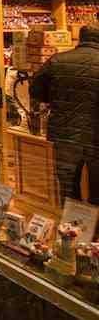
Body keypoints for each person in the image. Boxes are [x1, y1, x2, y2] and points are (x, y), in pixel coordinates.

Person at [30, 24, 99, 204]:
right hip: (96, 136)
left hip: (64, 133)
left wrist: (55, 99)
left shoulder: (57, 60)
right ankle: (96, 230)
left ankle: (70, 227)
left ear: (80, 39)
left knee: (68, 187)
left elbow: (35, 90)